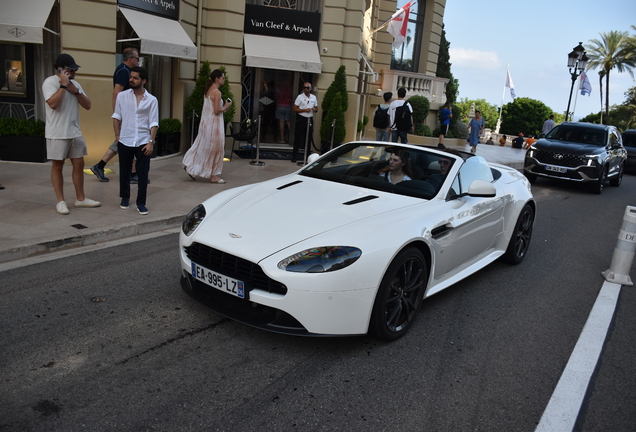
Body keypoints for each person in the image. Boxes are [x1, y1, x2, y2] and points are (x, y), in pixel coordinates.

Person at [42, 53, 101, 215]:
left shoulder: (75, 84)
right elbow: (53, 104)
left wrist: (76, 91)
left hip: (74, 131)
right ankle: (60, 201)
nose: (74, 73)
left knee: (79, 163)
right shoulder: (50, 82)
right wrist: (62, 85)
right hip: (57, 132)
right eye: (71, 70)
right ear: (61, 69)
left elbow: (88, 105)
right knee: (57, 165)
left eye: (75, 70)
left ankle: (80, 198)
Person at [112, 67, 158, 215]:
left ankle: (141, 202)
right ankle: (125, 197)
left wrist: (151, 142)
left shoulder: (152, 100)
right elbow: (116, 116)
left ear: (143, 81)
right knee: (124, 172)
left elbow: (154, 122)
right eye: (131, 77)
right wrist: (117, 136)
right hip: (125, 139)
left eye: (135, 78)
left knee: (143, 174)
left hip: (143, 141)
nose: (131, 80)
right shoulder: (122, 96)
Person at [90, 48, 140, 183]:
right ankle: (131, 173)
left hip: (128, 113)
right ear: (130, 59)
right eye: (137, 58)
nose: (138, 61)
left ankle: (101, 166)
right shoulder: (124, 71)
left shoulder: (126, 70)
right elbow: (116, 93)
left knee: (126, 140)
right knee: (129, 140)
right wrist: (118, 115)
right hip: (125, 113)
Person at [182, 69, 232, 183]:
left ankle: (190, 165)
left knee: (201, 146)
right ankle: (214, 175)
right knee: (217, 149)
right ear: (217, 79)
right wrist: (227, 105)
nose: (224, 79)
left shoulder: (209, 91)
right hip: (214, 126)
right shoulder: (217, 92)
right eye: (222, 77)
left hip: (206, 124)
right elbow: (217, 110)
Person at [292, 82, 318, 163]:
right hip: (301, 119)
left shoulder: (313, 97)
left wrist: (314, 109)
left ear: (310, 88)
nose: (306, 89)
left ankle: (307, 157)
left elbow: (317, 108)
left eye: (307, 87)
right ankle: (294, 156)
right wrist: (304, 110)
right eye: (304, 87)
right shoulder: (300, 97)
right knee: (298, 138)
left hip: (310, 119)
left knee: (308, 138)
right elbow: (295, 109)